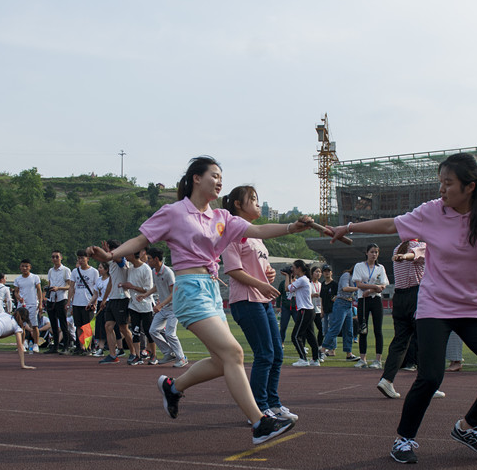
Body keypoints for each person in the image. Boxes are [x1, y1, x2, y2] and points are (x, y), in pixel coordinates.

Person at [328, 152, 477, 464]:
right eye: (440, 182)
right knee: (430, 377)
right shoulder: (432, 212)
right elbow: (391, 224)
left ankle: (468, 427)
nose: (441, 189)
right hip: (435, 306)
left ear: (470, 186)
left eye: (448, 183)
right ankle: (404, 439)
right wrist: (348, 227)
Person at [87, 156, 312, 444]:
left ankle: (173, 387)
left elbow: (256, 230)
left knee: (221, 361)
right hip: (190, 289)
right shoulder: (174, 212)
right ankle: (259, 423)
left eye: (221, 177)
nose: (219, 181)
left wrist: (292, 227)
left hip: (211, 290)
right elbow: (141, 240)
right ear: (196, 178)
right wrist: (110, 256)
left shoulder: (222, 217)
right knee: (234, 354)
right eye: (214, 175)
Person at [222, 185, 298, 421]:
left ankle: (273, 404)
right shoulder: (233, 231)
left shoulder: (256, 237)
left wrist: (269, 274)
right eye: (253, 199)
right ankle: (258, 409)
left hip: (262, 300)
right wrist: (261, 285)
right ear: (238, 204)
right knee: (264, 354)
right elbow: (232, 269)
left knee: (276, 354)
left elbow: (259, 266)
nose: (257, 203)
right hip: (246, 300)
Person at [377, 240, 426, 398]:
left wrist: (402, 256)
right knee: (424, 340)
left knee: (400, 341)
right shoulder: (421, 246)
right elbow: (414, 255)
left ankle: (387, 379)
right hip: (416, 295)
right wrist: (405, 257)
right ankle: (427, 383)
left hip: (399, 297)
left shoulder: (397, 248)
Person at [139, 247, 187, 367]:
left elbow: (173, 293)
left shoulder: (168, 272)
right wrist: (145, 295)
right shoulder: (155, 272)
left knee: (170, 334)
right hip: (164, 308)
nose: (147, 261)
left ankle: (182, 358)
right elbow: (156, 286)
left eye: (149, 259)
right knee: (153, 330)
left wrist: (160, 305)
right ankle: (169, 353)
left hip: (173, 308)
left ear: (156, 259)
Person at [96, 240, 138, 364]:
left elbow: (118, 259)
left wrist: (108, 252)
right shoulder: (112, 264)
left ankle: (134, 353)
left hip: (122, 298)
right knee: (108, 326)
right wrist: (104, 299)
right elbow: (110, 282)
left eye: (111, 251)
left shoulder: (122, 261)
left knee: (123, 328)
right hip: (112, 299)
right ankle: (113, 355)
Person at [352, 244, 390, 369]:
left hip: (376, 300)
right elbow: (359, 284)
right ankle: (362, 359)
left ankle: (378, 360)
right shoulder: (359, 266)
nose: (374, 254)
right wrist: (374, 287)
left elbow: (383, 285)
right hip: (363, 299)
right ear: (366, 253)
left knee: (378, 330)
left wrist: (370, 290)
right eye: (372, 252)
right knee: (363, 329)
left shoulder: (380, 268)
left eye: (376, 252)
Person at [319, 266, 361, 361]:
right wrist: (359, 288)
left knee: (349, 330)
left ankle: (349, 354)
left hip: (348, 304)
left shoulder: (356, 279)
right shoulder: (346, 275)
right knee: (335, 328)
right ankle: (322, 350)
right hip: (341, 303)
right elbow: (345, 288)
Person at [121, 249, 156, 364]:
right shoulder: (130, 269)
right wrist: (124, 285)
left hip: (146, 305)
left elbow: (148, 289)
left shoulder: (146, 269)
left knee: (148, 330)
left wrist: (132, 287)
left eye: (127, 254)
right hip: (133, 305)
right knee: (135, 331)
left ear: (133, 254)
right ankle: (137, 355)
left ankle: (153, 355)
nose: (125, 256)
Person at [285, 260, 320, 367]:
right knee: (310, 336)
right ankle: (315, 359)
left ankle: (303, 359)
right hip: (309, 310)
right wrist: (291, 277)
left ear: (299, 268)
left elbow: (287, 288)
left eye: (293, 267)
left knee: (295, 336)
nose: (292, 269)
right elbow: (293, 286)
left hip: (304, 310)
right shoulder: (304, 279)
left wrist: (287, 275)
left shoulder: (302, 279)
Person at [67, 250, 100, 354]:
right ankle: (80, 347)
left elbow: (96, 288)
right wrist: (69, 301)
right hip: (77, 302)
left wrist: (94, 303)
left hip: (88, 302)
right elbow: (71, 287)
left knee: (87, 326)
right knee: (78, 325)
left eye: (82, 258)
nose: (80, 260)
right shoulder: (75, 271)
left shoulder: (94, 271)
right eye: (79, 258)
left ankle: (88, 347)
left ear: (87, 259)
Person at [13, 259, 43, 353]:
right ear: (20, 267)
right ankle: (22, 345)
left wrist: (40, 304)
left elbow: (39, 290)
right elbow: (16, 292)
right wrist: (19, 297)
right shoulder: (18, 279)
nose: (24, 268)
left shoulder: (35, 277)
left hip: (33, 304)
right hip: (22, 305)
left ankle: (36, 344)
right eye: (23, 266)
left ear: (30, 267)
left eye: (26, 266)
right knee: (21, 326)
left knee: (34, 325)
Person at [46, 250, 73, 354]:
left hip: (61, 298)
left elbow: (69, 286)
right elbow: (49, 283)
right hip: (51, 299)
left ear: (61, 257)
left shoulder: (66, 270)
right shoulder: (50, 271)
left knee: (63, 323)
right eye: (53, 257)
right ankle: (55, 346)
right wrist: (48, 289)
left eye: (57, 257)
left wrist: (59, 288)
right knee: (53, 324)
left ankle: (66, 345)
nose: (55, 259)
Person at [90, 263, 110, 356]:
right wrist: (90, 302)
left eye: (101, 268)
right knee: (100, 326)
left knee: (109, 326)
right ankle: (101, 348)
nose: (99, 269)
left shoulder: (110, 279)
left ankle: (115, 347)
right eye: (99, 267)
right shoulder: (98, 280)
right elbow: (96, 294)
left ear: (106, 269)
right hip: (100, 303)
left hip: (109, 303)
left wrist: (105, 301)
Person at [319, 264, 338, 358]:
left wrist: (334, 299)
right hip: (325, 310)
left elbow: (338, 295)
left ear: (331, 272)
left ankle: (332, 349)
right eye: (325, 271)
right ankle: (329, 348)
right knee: (325, 330)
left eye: (328, 271)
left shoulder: (334, 284)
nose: (327, 273)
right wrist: (322, 309)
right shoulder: (323, 284)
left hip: (333, 309)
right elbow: (321, 297)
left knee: (331, 329)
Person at [310, 266, 324, 346]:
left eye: (319, 272)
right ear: (312, 273)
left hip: (319, 310)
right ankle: (303, 346)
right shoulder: (309, 284)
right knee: (308, 329)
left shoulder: (321, 285)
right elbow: (304, 296)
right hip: (311, 310)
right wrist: (312, 295)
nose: (318, 273)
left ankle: (319, 345)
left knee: (321, 329)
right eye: (316, 271)